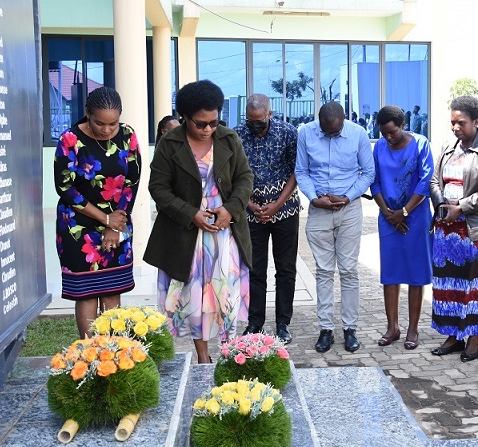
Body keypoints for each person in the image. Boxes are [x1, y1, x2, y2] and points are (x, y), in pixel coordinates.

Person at [145, 80, 253, 364]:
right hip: (185, 236)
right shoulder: (170, 143)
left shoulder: (229, 139)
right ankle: (203, 358)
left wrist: (230, 209)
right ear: (184, 117)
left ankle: (230, 354)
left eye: (213, 122)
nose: (208, 129)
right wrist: (190, 213)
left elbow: (245, 178)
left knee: (225, 292)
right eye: (200, 123)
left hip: (224, 233)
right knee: (195, 296)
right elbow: (158, 188)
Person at [54, 87, 141, 338]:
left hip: (119, 219)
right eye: (99, 123)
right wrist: (104, 219)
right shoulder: (70, 140)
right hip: (77, 224)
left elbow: (131, 182)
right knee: (87, 292)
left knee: (112, 288)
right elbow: (65, 188)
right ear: (87, 114)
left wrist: (114, 225)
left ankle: (114, 351)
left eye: (113, 124)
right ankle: (90, 352)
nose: (106, 130)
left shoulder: (128, 135)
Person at [429, 96, 478, 363]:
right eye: (452, 122)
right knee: (450, 282)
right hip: (447, 229)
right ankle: (452, 335)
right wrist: (442, 205)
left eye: (461, 123)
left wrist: (461, 206)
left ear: (477, 121)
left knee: (477, 285)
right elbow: (434, 180)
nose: (455, 127)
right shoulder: (448, 146)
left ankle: (473, 338)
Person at [295, 102, 374, 353]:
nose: (331, 135)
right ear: (319, 121)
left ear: (343, 121)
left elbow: (368, 173)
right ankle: (325, 329)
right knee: (324, 271)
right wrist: (313, 197)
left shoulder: (358, 134)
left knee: (349, 270)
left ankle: (350, 329)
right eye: (326, 131)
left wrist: (348, 197)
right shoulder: (306, 133)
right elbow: (301, 171)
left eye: (336, 132)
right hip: (319, 209)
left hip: (349, 209)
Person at [235, 94, 300, 344]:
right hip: (250, 212)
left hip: (285, 210)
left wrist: (277, 205)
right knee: (254, 269)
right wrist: (250, 204)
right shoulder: (238, 135)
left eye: (259, 122)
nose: (255, 126)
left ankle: (283, 323)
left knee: (285, 269)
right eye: (250, 121)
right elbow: (231, 175)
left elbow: (297, 171)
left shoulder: (288, 133)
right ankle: (255, 323)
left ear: (270, 114)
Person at [370, 106, 434, 350]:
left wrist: (404, 212)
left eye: (392, 132)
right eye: (384, 133)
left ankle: (413, 329)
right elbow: (375, 181)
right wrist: (388, 212)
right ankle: (392, 327)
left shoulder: (420, 144)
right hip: (388, 217)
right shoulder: (379, 147)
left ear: (403, 125)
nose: (388, 137)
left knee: (416, 273)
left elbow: (426, 181)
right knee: (391, 273)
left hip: (415, 217)